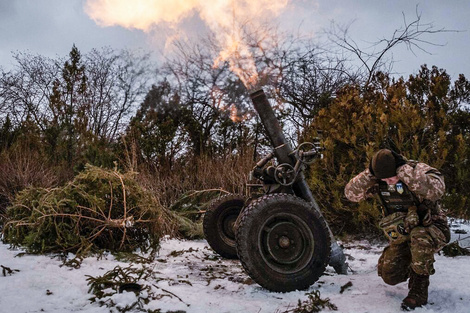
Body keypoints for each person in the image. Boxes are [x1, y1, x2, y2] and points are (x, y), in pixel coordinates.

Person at [344, 149, 450, 311]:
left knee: (419, 236)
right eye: (385, 179)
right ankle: (416, 264)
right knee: (389, 275)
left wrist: (404, 172)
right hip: (402, 234)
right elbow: (351, 194)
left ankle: (419, 288)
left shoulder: (416, 170)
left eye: (392, 177)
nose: (390, 182)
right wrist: (370, 174)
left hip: (433, 230)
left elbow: (437, 190)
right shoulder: (378, 180)